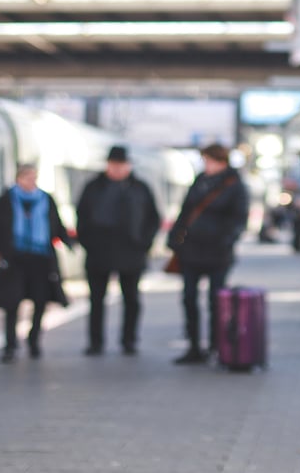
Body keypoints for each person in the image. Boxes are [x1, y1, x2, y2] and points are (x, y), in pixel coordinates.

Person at [166, 143, 249, 364]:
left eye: (208, 160)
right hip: (191, 250)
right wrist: (175, 236)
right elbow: (186, 211)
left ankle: (216, 345)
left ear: (220, 161)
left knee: (216, 301)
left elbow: (240, 218)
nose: (206, 165)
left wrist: (227, 239)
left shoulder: (234, 184)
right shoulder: (200, 181)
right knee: (189, 298)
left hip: (218, 252)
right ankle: (194, 345)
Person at [75, 145, 162, 356]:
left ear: (128, 165)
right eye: (114, 164)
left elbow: (153, 218)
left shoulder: (140, 188)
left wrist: (144, 244)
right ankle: (96, 342)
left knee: (131, 299)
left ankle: (129, 340)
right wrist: (89, 243)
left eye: (121, 164)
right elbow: (82, 218)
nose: (117, 168)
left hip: (131, 252)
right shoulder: (93, 187)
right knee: (96, 300)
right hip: (99, 253)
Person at [0, 164, 72, 363]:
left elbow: (57, 226)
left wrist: (71, 242)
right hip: (14, 260)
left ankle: (34, 340)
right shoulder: (5, 201)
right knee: (11, 304)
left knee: (40, 302)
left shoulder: (46, 199)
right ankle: (10, 345)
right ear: (18, 179)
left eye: (34, 177)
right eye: (27, 177)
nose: (31, 181)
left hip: (41, 259)